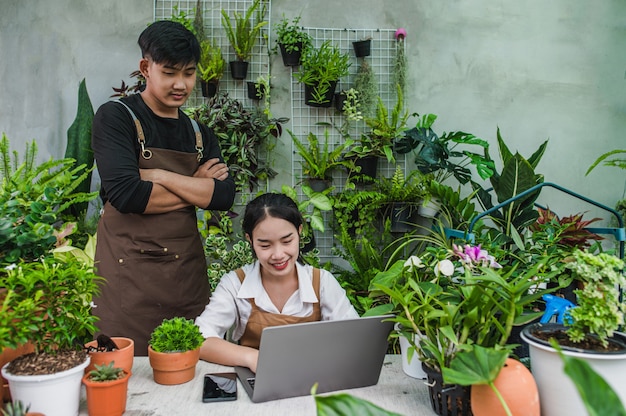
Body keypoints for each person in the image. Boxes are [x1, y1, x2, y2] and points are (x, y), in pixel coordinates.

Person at [91, 20, 235, 355]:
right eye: (170, 72)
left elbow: (223, 196)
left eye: (189, 72)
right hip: (128, 281)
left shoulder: (200, 133)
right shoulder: (117, 117)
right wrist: (198, 185)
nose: (181, 84)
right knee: (124, 373)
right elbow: (127, 195)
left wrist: (161, 175)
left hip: (184, 278)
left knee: (191, 367)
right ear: (146, 68)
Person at [195, 193, 359, 372]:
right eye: (265, 245)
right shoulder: (235, 284)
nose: (278, 254)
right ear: (250, 240)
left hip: (313, 381)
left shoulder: (323, 283)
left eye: (287, 241)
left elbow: (354, 339)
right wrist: (253, 358)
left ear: (300, 231)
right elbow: (200, 339)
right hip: (256, 381)